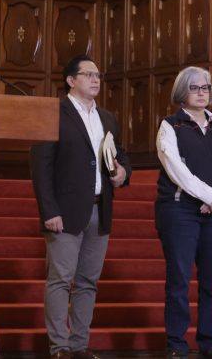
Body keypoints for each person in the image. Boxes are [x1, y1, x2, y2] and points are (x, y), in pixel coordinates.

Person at [31, 54, 130, 359]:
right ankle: (59, 347)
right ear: (71, 81)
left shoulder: (108, 118)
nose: (96, 79)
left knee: (88, 282)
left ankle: (79, 346)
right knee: (61, 279)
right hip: (66, 211)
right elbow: (41, 167)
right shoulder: (53, 113)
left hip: (101, 209)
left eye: (98, 75)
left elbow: (121, 156)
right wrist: (49, 211)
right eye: (88, 75)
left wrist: (122, 173)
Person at [155, 66, 212, 359]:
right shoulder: (170, 125)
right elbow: (177, 170)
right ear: (182, 92)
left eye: (206, 88)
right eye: (195, 88)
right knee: (179, 278)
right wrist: (211, 196)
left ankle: (209, 341)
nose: (202, 93)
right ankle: (177, 344)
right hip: (180, 211)